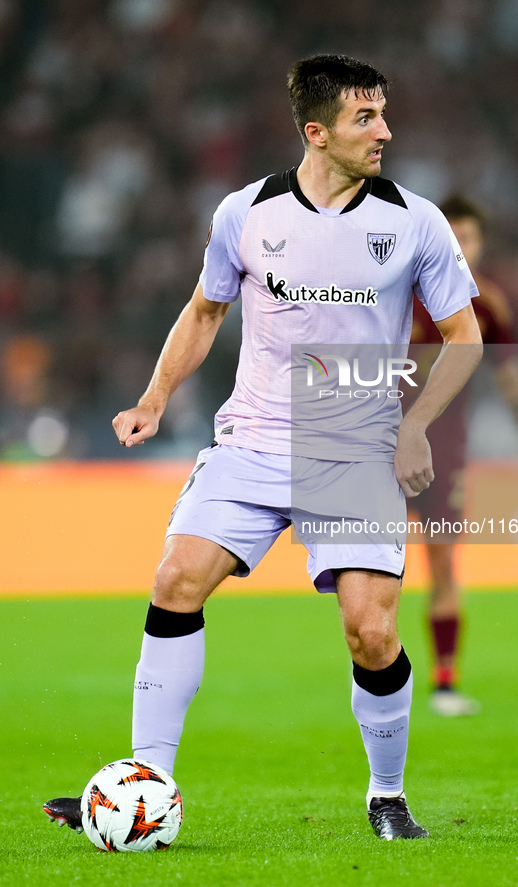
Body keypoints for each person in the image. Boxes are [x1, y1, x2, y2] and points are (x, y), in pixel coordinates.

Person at [43, 55, 482, 841]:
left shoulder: (414, 221)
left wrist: (415, 424)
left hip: (356, 449)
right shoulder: (245, 213)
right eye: (364, 118)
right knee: (176, 579)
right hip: (252, 438)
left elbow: (464, 338)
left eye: (382, 113)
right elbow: (205, 310)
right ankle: (146, 783)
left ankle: (386, 793)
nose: (383, 130)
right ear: (315, 132)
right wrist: (154, 397)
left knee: (371, 632)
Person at [408, 194, 518, 717]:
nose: (461, 247)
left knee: (443, 564)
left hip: (447, 456)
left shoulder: (487, 303)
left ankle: (444, 683)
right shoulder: (399, 292)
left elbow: (512, 380)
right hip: (381, 451)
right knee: (378, 570)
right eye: (452, 237)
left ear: (481, 244)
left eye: (469, 238)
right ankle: (380, 680)